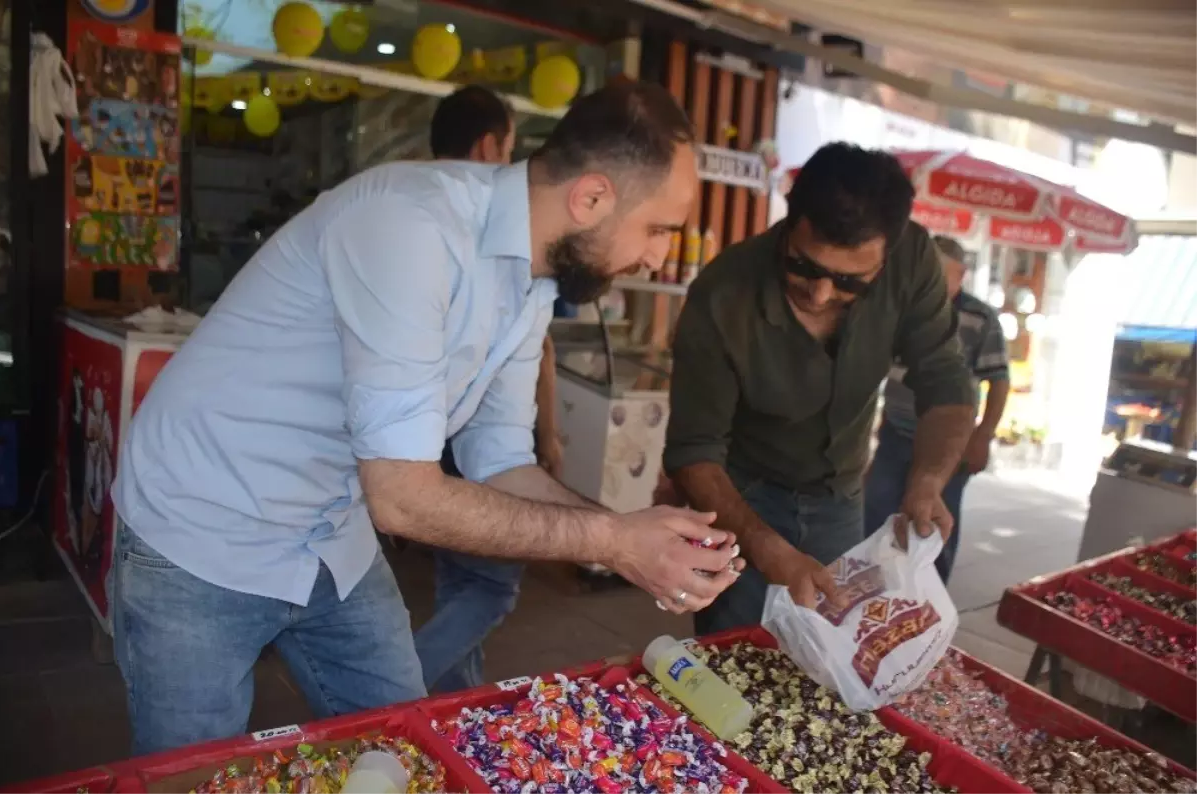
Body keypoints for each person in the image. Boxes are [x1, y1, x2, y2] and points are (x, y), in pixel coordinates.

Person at [111, 81, 742, 755]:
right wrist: (613, 544)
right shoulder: (412, 226)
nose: (657, 257)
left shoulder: (537, 276)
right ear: (590, 198)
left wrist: (626, 533)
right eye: (657, 231)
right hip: (201, 527)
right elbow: (404, 499)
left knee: (407, 749)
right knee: (194, 774)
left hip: (328, 539)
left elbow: (499, 458)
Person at [663, 142, 976, 635]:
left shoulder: (914, 258)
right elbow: (693, 451)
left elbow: (946, 378)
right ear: (789, 220)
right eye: (804, 267)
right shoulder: (723, 294)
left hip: (841, 497)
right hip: (743, 495)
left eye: (850, 282)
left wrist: (928, 480)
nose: (820, 294)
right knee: (735, 652)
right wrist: (765, 548)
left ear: (886, 257)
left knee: (831, 654)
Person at [414, 85, 560, 693]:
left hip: (437, 443)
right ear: (491, 145)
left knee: (464, 581)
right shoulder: (482, 241)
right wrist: (547, 435)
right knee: (491, 588)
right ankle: (396, 692)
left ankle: (456, 702)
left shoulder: (427, 217)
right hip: (435, 450)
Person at [864, 235, 1010, 583]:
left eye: (936, 274)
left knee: (932, 526)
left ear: (960, 273)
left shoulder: (979, 318)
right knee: (875, 516)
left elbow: (999, 381)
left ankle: (928, 600)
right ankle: (872, 595)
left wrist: (982, 436)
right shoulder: (906, 310)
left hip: (949, 446)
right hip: (896, 434)